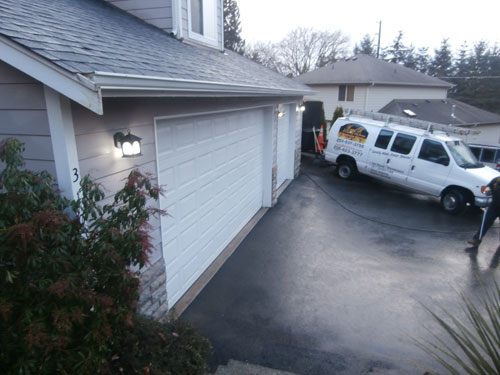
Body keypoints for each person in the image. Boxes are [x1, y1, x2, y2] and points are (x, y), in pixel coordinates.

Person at [468, 176, 500, 247]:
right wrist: (487, 190)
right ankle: (476, 240)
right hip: (494, 206)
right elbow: (488, 187)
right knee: (485, 223)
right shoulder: (497, 180)